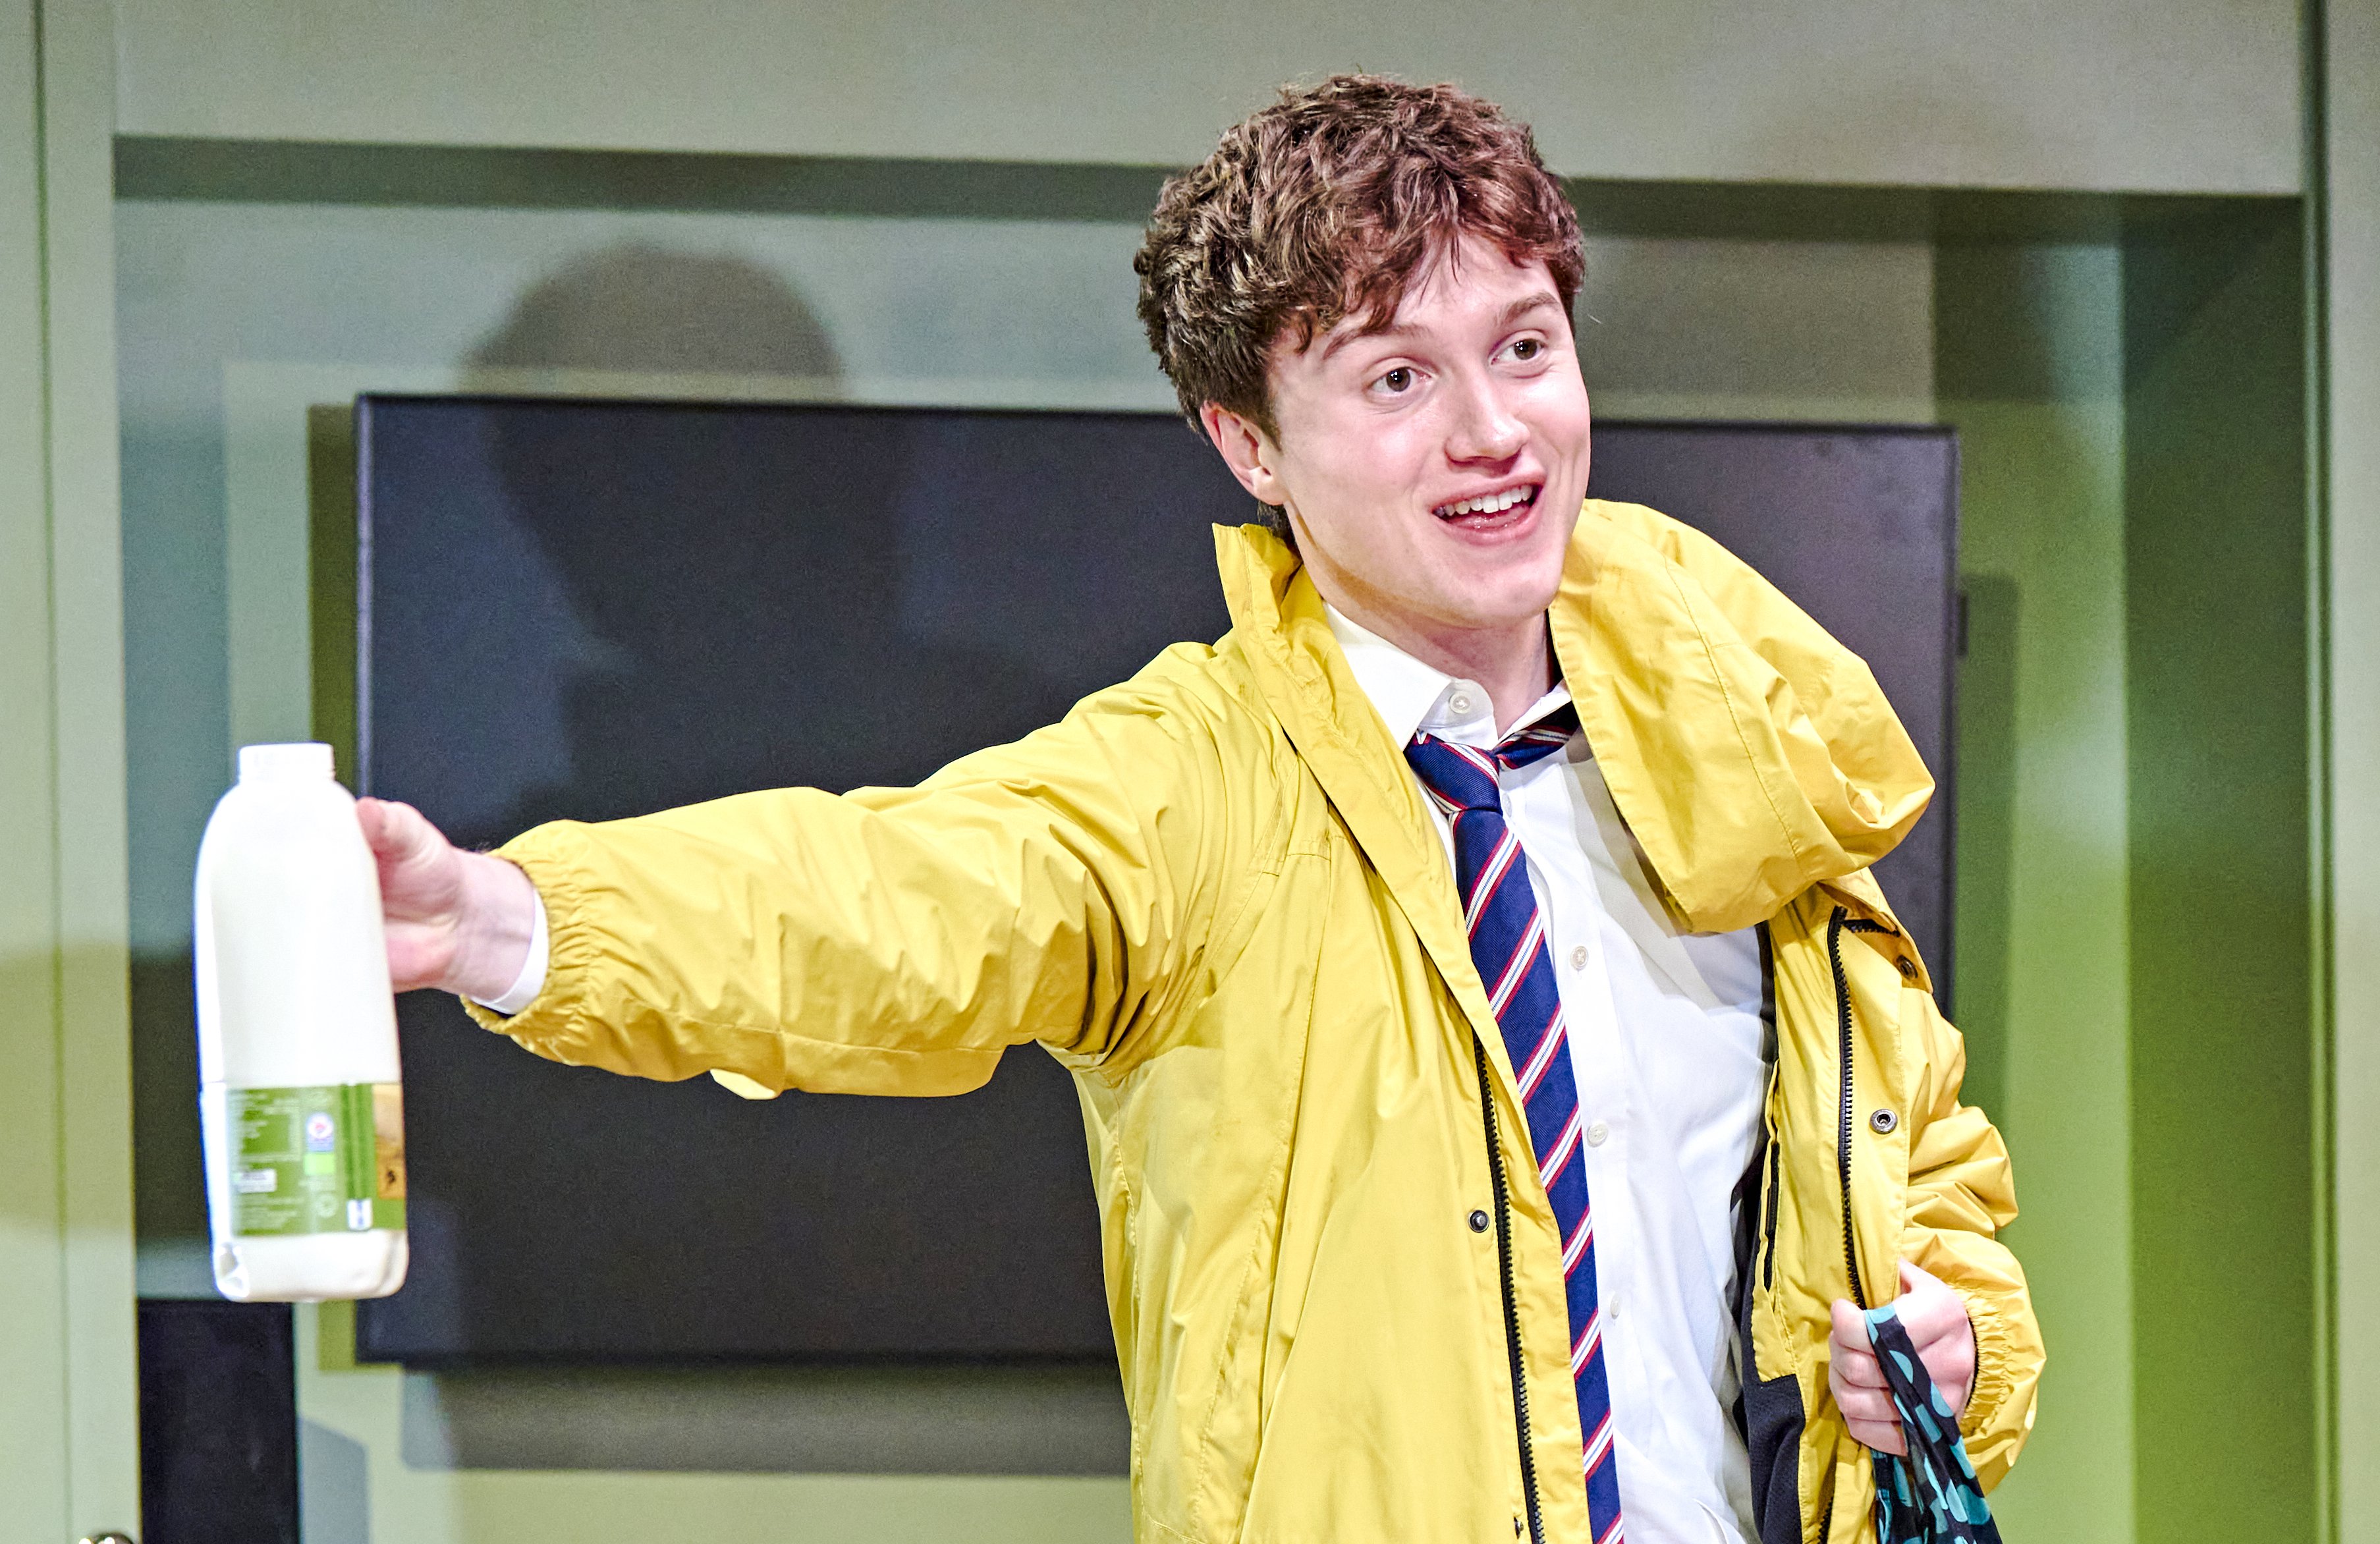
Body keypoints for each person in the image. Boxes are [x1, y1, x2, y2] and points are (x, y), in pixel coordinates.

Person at [358, 75, 2040, 1544]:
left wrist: (1956, 1338)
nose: (1493, 432)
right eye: (1394, 381)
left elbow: (1923, 1162)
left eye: (1523, 348)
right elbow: (883, 899)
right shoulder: (1189, 780)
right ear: (1249, 444)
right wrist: (509, 920)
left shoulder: (1748, 744)